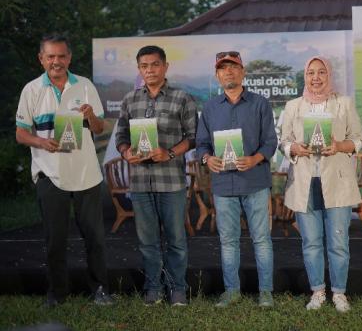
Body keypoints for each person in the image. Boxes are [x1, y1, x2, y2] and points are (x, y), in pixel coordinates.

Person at [15, 34, 112, 307]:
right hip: (50, 174)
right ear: (41, 59)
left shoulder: (85, 85)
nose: (56, 61)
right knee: (55, 240)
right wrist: (41, 141)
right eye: (51, 56)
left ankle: (100, 290)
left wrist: (91, 115)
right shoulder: (31, 90)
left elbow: (99, 128)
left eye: (61, 56)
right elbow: (21, 134)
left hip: (85, 174)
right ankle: (57, 294)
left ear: (69, 58)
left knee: (95, 238)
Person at [279, 56, 362, 313]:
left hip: (336, 182)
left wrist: (339, 146)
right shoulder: (293, 106)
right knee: (311, 242)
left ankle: (339, 293)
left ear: (329, 75)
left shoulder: (343, 104)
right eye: (311, 73)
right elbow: (283, 142)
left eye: (321, 72)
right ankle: (317, 291)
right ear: (304, 76)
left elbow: (358, 139)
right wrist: (293, 148)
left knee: (338, 242)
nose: (316, 78)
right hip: (305, 183)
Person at [116, 45, 198, 306]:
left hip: (171, 181)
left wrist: (170, 153)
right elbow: (120, 137)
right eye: (144, 66)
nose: (149, 70)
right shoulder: (130, 100)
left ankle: (177, 289)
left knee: (176, 240)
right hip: (140, 183)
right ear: (139, 69)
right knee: (147, 241)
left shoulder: (182, 98)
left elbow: (193, 137)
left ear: (165, 66)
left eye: (154, 65)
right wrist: (126, 151)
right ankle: (153, 288)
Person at [196, 51, 277, 308]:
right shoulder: (209, 108)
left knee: (261, 239)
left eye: (233, 67)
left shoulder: (260, 104)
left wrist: (255, 159)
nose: (228, 72)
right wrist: (207, 158)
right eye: (223, 68)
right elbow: (201, 145)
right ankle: (232, 291)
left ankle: (266, 292)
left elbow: (271, 142)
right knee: (228, 241)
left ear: (243, 72)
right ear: (217, 75)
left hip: (255, 182)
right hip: (223, 186)